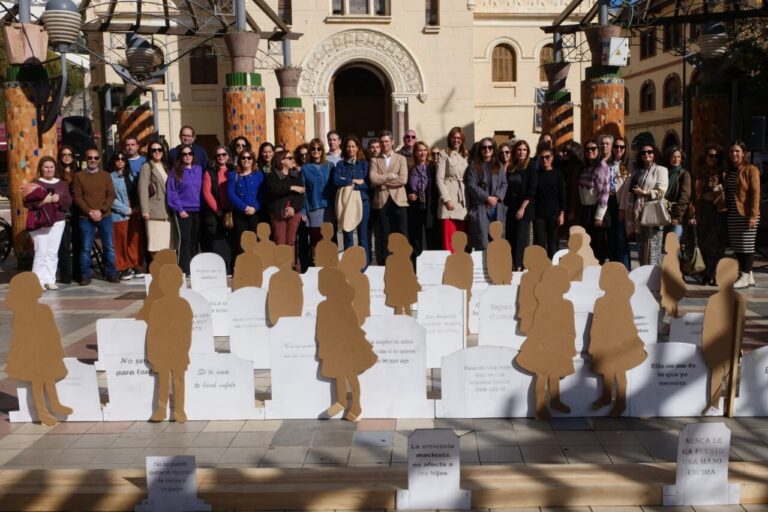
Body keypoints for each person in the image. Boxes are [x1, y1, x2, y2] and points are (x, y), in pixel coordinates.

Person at [5, 272, 73, 425]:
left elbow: (52, 331)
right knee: (37, 383)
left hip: (45, 351)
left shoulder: (44, 309)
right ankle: (42, 412)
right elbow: (21, 334)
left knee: (49, 378)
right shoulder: (22, 312)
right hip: (32, 354)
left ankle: (55, 404)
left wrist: (56, 349)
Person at [72, 148, 118, 285]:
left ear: (99, 160)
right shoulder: (79, 176)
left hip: (105, 216)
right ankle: (85, 276)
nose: (93, 160)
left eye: (96, 158)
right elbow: (77, 197)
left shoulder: (106, 176)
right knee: (85, 248)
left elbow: (111, 195)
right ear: (86, 159)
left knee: (109, 246)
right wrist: (90, 212)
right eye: (90, 158)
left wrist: (101, 211)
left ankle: (111, 273)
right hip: (86, 218)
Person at [25, 157, 72, 290]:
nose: (49, 169)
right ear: (41, 168)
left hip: (58, 221)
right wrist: (44, 201)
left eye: (51, 167)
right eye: (46, 167)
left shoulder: (62, 184)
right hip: (40, 221)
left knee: (52, 252)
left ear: (55, 168)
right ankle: (37, 281)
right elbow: (27, 202)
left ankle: (49, 279)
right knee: (41, 252)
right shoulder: (34, 183)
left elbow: (68, 202)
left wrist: (58, 199)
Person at [725, 140, 761, 288]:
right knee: (737, 246)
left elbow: (755, 193)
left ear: (743, 154)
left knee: (747, 246)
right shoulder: (728, 171)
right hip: (733, 213)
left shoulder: (751, 169)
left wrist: (753, 216)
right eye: (732, 151)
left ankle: (744, 276)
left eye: (737, 151)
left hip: (747, 214)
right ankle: (749, 275)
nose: (734, 154)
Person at [369, 130, 409, 264]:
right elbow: (373, 180)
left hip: (399, 201)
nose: (384, 144)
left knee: (401, 234)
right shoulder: (375, 160)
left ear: (392, 142)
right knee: (383, 235)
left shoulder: (401, 158)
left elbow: (403, 180)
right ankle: (384, 265)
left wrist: (383, 182)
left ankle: (403, 263)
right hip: (381, 201)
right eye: (381, 142)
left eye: (386, 141)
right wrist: (391, 176)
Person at [625, 144, 668, 266]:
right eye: (643, 152)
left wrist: (644, 193)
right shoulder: (639, 172)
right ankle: (643, 278)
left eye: (650, 152)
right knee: (642, 248)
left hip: (653, 213)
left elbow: (661, 192)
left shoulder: (661, 170)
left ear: (655, 155)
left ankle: (653, 280)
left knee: (653, 249)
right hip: (639, 213)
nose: (646, 154)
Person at [689, 144, 727, 285]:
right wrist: (692, 213)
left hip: (718, 211)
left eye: (716, 156)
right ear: (705, 157)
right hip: (703, 210)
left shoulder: (723, 173)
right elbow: (693, 196)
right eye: (710, 156)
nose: (713, 159)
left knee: (715, 245)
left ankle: (713, 274)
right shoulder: (699, 173)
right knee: (704, 244)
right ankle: (705, 274)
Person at [166, 144, 203, 274]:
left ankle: (194, 267)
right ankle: (184, 269)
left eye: (190, 154)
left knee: (194, 239)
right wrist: (180, 209)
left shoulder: (199, 170)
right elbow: (172, 193)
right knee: (185, 239)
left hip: (198, 210)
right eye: (184, 154)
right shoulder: (175, 171)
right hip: (183, 211)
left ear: (193, 156)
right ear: (180, 157)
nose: (187, 156)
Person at [334, 135, 371, 264]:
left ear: (357, 148)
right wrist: (353, 181)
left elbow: (367, 184)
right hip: (347, 202)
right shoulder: (340, 164)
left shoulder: (365, 164)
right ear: (345, 148)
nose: (350, 149)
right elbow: (336, 180)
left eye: (353, 146)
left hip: (363, 201)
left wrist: (347, 183)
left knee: (363, 234)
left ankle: (364, 265)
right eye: (348, 146)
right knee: (348, 233)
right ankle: (348, 264)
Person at [466, 137, 508, 251]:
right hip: (481, 207)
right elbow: (471, 186)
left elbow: (504, 184)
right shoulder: (473, 167)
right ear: (480, 150)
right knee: (482, 240)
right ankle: (484, 268)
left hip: (496, 207)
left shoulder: (498, 166)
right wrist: (487, 198)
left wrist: (497, 198)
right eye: (484, 147)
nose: (487, 150)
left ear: (493, 149)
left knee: (497, 239)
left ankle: (496, 267)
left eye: (490, 147)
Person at [264, 149, 305, 265]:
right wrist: (291, 188)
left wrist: (293, 207)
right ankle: (281, 267)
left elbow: (300, 194)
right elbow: (275, 190)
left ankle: (291, 266)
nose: (293, 160)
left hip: (294, 212)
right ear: (282, 161)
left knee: (291, 240)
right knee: (280, 240)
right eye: (290, 158)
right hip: (278, 212)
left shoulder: (295, 174)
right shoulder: (272, 175)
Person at [504, 139, 537, 270]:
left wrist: (522, 208)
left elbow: (532, 189)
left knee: (521, 237)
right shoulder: (511, 168)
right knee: (510, 235)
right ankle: (512, 264)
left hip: (524, 207)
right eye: (519, 149)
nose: (522, 152)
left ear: (527, 152)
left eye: (524, 150)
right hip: (511, 207)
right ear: (515, 152)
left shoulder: (530, 166)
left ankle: (520, 265)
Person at [202, 145, 235, 272]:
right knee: (217, 239)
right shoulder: (209, 171)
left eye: (224, 154)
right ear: (215, 157)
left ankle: (230, 264)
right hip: (215, 211)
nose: (221, 157)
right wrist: (217, 209)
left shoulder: (233, 170)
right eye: (218, 155)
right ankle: (220, 267)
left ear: (228, 156)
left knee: (231, 239)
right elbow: (206, 192)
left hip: (231, 210)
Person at [302, 137, 335, 261]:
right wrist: (303, 211)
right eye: (313, 149)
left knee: (329, 238)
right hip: (314, 208)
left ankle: (330, 264)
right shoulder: (305, 168)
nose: (316, 151)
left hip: (329, 207)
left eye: (319, 149)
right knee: (316, 239)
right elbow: (303, 192)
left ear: (322, 151)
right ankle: (316, 264)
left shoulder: (329, 166)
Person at [436, 127, 469, 252]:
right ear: (450, 138)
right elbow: (439, 179)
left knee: (461, 235)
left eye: (459, 138)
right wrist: (446, 199)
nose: (456, 140)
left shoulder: (466, 155)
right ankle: (449, 264)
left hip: (463, 199)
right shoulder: (444, 154)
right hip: (449, 197)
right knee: (449, 235)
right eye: (454, 137)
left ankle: (460, 263)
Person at [108, 152, 140, 281]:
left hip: (135, 211)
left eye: (122, 159)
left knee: (134, 240)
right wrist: (126, 210)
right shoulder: (110, 177)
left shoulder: (133, 175)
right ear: (113, 161)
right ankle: (122, 267)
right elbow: (110, 198)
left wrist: (136, 208)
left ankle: (134, 264)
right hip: (120, 213)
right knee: (120, 241)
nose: (120, 161)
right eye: (117, 159)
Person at [139, 142, 174, 257]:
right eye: (154, 150)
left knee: (167, 244)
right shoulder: (147, 166)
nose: (157, 152)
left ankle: (167, 271)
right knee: (155, 244)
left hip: (168, 211)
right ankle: (158, 271)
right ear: (150, 152)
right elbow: (143, 189)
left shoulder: (166, 166)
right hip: (154, 211)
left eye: (159, 149)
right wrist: (145, 210)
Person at [227, 148, 264, 258]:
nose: (246, 160)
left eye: (249, 157)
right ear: (239, 160)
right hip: (240, 212)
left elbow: (262, 193)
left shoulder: (259, 174)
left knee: (255, 238)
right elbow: (231, 194)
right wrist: (244, 208)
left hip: (255, 213)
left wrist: (255, 207)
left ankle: (255, 264)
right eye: (243, 158)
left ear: (253, 160)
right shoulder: (233, 175)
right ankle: (243, 266)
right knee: (241, 240)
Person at [578, 139, 610, 262]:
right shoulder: (586, 167)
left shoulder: (601, 166)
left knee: (598, 245)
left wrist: (599, 215)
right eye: (587, 149)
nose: (590, 151)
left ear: (598, 151)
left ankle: (599, 273)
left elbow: (604, 192)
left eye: (593, 149)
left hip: (596, 210)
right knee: (588, 243)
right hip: (585, 209)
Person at [406, 140, 439, 258]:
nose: (423, 153)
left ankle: (432, 264)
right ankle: (416, 267)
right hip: (415, 208)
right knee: (416, 238)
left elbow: (436, 187)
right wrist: (409, 195)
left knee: (432, 237)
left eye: (425, 150)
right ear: (415, 153)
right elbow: (406, 187)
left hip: (430, 207)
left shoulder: (432, 168)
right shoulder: (411, 169)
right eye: (420, 150)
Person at [533, 146, 566, 259]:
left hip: (554, 213)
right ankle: (540, 267)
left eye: (547, 157)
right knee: (539, 243)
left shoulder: (558, 175)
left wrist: (562, 214)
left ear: (552, 158)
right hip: (538, 214)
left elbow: (562, 196)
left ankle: (553, 268)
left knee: (553, 243)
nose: (544, 160)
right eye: (541, 158)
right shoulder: (535, 174)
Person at [121, 137, 146, 278]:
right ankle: (128, 265)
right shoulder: (121, 160)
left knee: (139, 237)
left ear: (137, 146)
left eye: (132, 145)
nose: (130, 147)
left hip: (141, 204)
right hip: (126, 203)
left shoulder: (144, 162)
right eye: (127, 145)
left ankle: (139, 265)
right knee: (126, 236)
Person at [607, 137, 632, 270]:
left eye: (621, 147)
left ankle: (626, 270)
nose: (618, 149)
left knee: (621, 238)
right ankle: (613, 269)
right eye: (616, 146)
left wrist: (622, 208)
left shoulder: (628, 164)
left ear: (625, 149)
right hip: (608, 203)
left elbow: (627, 188)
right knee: (611, 239)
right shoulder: (608, 163)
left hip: (621, 204)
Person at [56, 145, 79, 284]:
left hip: (77, 211)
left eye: (69, 154)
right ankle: (65, 275)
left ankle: (77, 273)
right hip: (61, 212)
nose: (67, 157)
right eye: (64, 154)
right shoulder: (56, 173)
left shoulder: (78, 172)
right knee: (63, 245)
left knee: (78, 243)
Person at [664, 146, 692, 243]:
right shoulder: (665, 173)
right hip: (665, 213)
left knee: (674, 244)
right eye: (673, 157)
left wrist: (677, 216)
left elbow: (684, 197)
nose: (676, 159)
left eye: (678, 157)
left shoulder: (684, 174)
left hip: (677, 215)